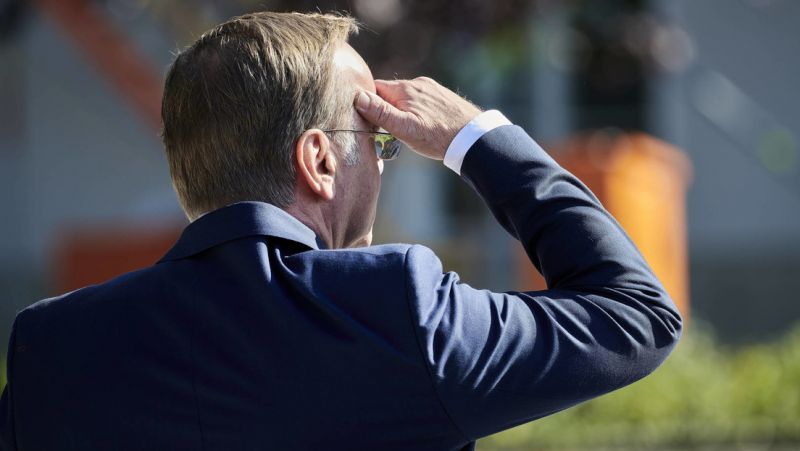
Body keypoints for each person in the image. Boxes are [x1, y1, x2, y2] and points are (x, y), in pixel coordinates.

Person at [0, 11, 682, 451]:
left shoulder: (53, 345)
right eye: (380, 140)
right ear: (320, 161)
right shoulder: (393, 309)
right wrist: (474, 139)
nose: (384, 161)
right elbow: (635, 314)